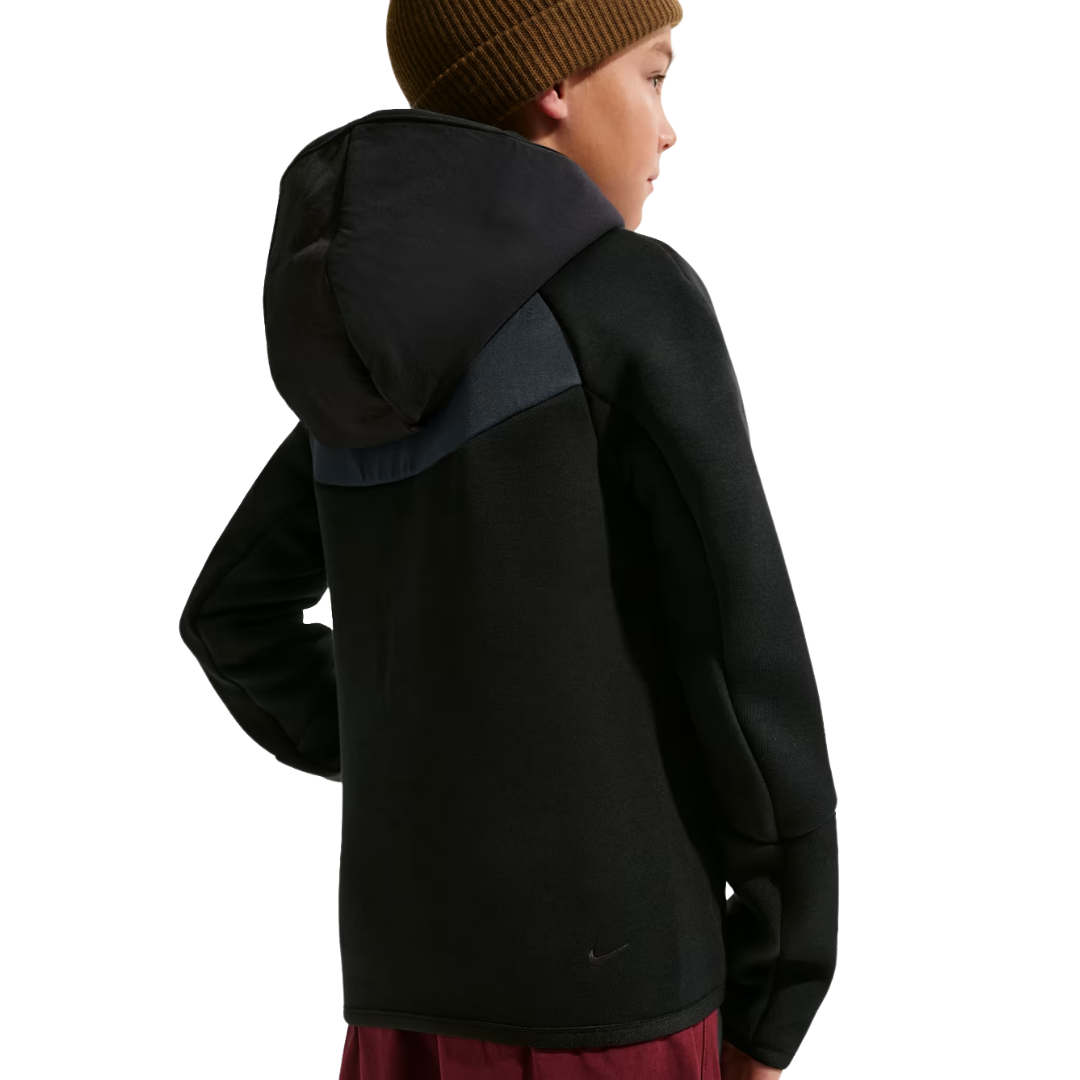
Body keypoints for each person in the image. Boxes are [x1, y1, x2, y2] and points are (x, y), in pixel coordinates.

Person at [178, 1, 840, 1077]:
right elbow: (742, 662)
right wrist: (781, 985)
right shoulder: (626, 299)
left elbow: (231, 616)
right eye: (655, 76)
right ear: (557, 83)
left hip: (401, 1003)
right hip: (613, 1001)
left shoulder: (386, 352)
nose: (669, 128)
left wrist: (429, 760)